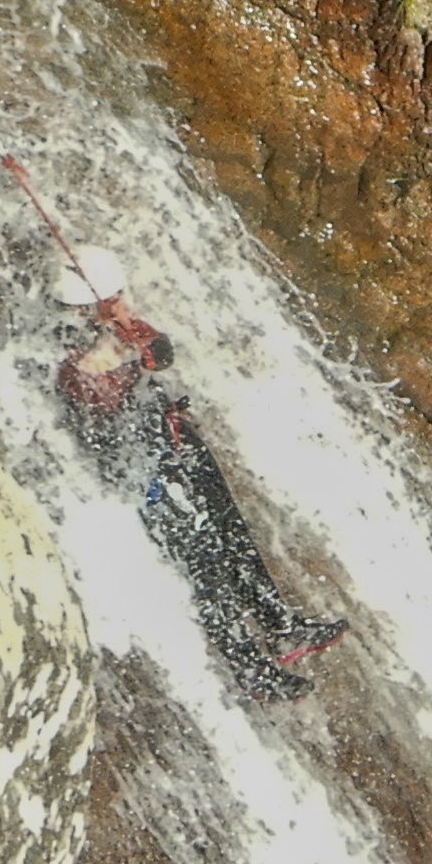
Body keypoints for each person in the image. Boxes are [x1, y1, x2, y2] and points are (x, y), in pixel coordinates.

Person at [48, 247, 347, 700]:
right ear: (89, 307)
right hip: (141, 472)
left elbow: (161, 352)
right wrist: (123, 355)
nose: (126, 304)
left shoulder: (115, 329)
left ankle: (281, 624)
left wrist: (132, 339)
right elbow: (99, 400)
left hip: (173, 441)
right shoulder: (65, 350)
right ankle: (250, 670)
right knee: (203, 560)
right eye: (115, 300)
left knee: (230, 529)